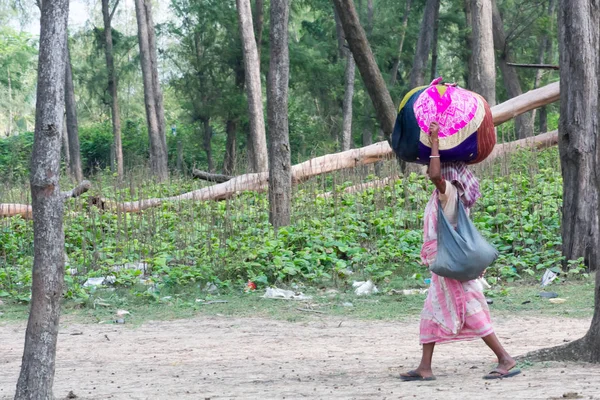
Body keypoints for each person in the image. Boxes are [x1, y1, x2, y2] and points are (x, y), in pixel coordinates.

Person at [400, 121, 520, 381]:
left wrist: (433, 141)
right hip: (444, 266)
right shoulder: (446, 196)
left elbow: (434, 175)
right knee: (432, 313)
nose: (434, 173)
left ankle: (505, 358)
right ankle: (425, 367)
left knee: (472, 311)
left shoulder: (450, 193)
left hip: (451, 265)